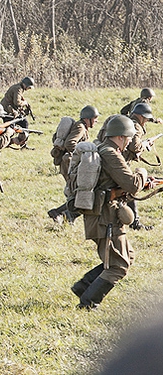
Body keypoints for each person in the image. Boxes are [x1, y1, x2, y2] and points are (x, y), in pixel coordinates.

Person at [71, 115, 146, 310]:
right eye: (129, 137)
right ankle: (88, 302)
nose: (130, 141)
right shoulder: (111, 153)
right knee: (118, 266)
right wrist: (142, 173)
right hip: (105, 218)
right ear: (121, 136)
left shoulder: (105, 148)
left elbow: (119, 185)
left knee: (126, 256)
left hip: (103, 214)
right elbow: (132, 184)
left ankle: (85, 286)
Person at [47, 105, 99, 223]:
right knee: (77, 194)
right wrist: (83, 154)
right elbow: (70, 143)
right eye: (94, 118)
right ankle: (60, 214)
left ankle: (65, 216)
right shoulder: (80, 127)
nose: (96, 121)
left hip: (69, 163)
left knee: (77, 194)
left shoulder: (81, 127)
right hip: (69, 163)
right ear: (87, 118)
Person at [121, 103, 155, 231]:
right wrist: (144, 145)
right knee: (130, 188)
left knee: (129, 190)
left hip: (121, 160)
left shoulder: (128, 121)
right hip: (120, 161)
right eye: (146, 118)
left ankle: (135, 222)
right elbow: (134, 146)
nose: (146, 121)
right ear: (141, 116)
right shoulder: (136, 125)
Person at [0, 76, 34, 146]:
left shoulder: (19, 88)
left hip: (9, 110)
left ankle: (21, 143)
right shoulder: (18, 89)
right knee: (19, 125)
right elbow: (17, 102)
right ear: (25, 85)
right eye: (29, 87)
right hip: (8, 111)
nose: (28, 89)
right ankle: (5, 142)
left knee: (22, 124)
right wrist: (25, 103)